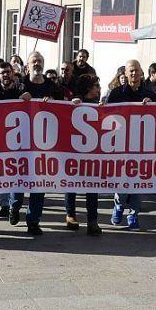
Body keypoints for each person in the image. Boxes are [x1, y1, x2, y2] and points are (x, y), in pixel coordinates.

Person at [12, 51, 64, 236]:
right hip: (21, 142)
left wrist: (54, 103)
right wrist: (20, 99)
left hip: (44, 143)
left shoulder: (52, 86)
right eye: (34, 61)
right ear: (27, 65)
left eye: (40, 61)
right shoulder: (20, 84)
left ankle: (33, 220)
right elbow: (7, 106)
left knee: (39, 183)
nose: (37, 64)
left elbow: (63, 106)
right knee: (18, 179)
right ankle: (14, 205)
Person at [107, 60, 156, 230]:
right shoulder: (115, 94)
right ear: (125, 74)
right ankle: (119, 205)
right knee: (122, 178)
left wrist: (151, 106)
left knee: (137, 180)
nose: (134, 74)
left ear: (142, 73)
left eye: (136, 71)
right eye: (130, 71)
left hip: (141, 144)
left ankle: (134, 213)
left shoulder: (150, 94)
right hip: (121, 143)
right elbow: (107, 116)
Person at [67, 74, 103, 235]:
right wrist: (71, 106)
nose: (99, 88)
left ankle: (92, 221)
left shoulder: (99, 105)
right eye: (96, 85)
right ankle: (70, 215)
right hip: (74, 152)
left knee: (92, 187)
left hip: (93, 154)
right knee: (71, 184)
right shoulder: (76, 103)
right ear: (88, 88)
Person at [0, 61, 25, 217]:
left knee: (15, 171)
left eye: (8, 71)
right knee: (1, 172)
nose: (5, 74)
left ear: (13, 73)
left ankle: (14, 204)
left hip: (18, 136)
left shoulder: (22, 89)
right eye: (2, 72)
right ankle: (5, 204)